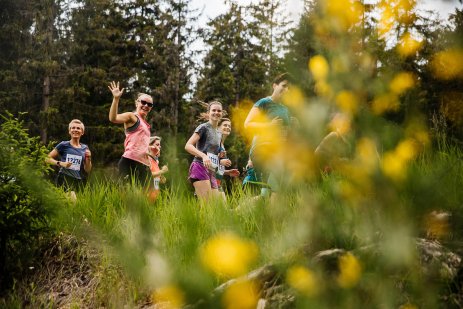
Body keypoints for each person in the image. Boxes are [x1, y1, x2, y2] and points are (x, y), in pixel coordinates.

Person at [243, 73, 295, 197]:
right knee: (275, 188)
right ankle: (274, 216)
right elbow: (247, 124)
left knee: (267, 192)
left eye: (289, 88)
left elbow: (286, 134)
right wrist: (269, 125)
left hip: (279, 152)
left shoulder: (285, 109)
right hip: (263, 149)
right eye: (284, 85)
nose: (286, 90)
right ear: (274, 86)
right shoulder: (264, 102)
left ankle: (237, 212)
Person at [108, 81, 153, 186]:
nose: (146, 105)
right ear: (136, 103)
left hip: (144, 164)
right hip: (129, 161)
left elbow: (140, 143)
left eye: (149, 104)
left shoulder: (146, 125)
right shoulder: (132, 116)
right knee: (127, 195)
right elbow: (113, 118)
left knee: (146, 197)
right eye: (143, 102)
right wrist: (116, 99)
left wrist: (150, 150)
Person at [185, 101, 231, 201]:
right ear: (208, 112)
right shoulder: (203, 127)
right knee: (206, 206)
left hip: (212, 171)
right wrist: (203, 156)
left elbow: (214, 156)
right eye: (213, 110)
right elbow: (188, 145)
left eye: (219, 111)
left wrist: (220, 158)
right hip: (199, 167)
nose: (216, 112)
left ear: (221, 113)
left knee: (216, 206)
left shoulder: (219, 133)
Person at [46, 119, 92, 200]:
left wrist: (89, 159)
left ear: (82, 132)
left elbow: (87, 170)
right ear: (69, 131)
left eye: (78, 128)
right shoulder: (63, 145)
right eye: (73, 128)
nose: (75, 130)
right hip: (64, 177)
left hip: (78, 180)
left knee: (71, 205)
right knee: (72, 200)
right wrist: (60, 163)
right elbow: (46, 158)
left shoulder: (85, 148)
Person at [216, 118, 240, 200]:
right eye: (225, 125)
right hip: (208, 181)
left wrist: (227, 172)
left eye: (229, 126)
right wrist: (220, 161)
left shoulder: (222, 145)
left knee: (221, 211)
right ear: (218, 127)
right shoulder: (214, 142)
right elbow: (204, 159)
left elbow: (217, 168)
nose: (228, 127)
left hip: (218, 183)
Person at [148, 136, 168, 202]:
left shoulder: (156, 161)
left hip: (156, 196)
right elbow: (148, 176)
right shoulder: (147, 159)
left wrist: (161, 178)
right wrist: (162, 171)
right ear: (150, 146)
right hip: (147, 195)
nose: (160, 147)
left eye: (160, 145)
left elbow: (156, 180)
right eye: (157, 145)